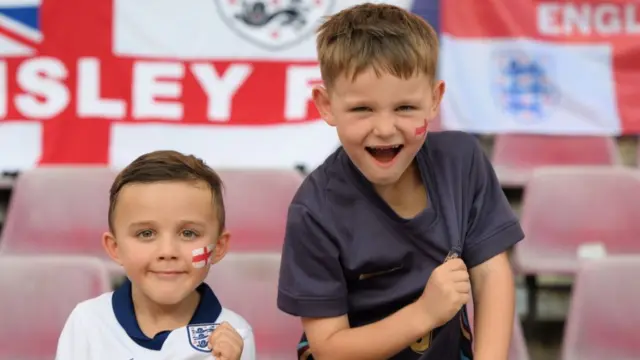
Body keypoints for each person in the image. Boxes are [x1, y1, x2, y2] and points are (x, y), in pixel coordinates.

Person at [277, 3, 523, 360]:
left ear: (434, 100)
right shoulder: (313, 210)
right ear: (326, 105)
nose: (385, 128)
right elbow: (329, 347)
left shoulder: (462, 161)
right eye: (362, 109)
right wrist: (424, 313)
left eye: (405, 108)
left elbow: (491, 274)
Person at [56, 150, 255, 360]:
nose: (167, 252)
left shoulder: (235, 334)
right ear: (115, 248)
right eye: (146, 233)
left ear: (219, 246)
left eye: (188, 233)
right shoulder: (87, 322)